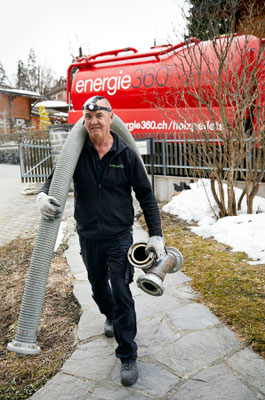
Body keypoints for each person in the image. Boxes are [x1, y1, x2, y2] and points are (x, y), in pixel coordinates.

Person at [36, 95, 165, 387]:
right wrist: (42, 196)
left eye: (100, 115)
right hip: (89, 235)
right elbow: (53, 180)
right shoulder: (77, 153)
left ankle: (128, 354)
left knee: (120, 289)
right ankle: (109, 316)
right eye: (88, 116)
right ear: (84, 120)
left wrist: (156, 234)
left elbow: (146, 195)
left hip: (120, 236)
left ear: (111, 118)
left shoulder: (126, 154)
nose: (94, 121)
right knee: (97, 286)